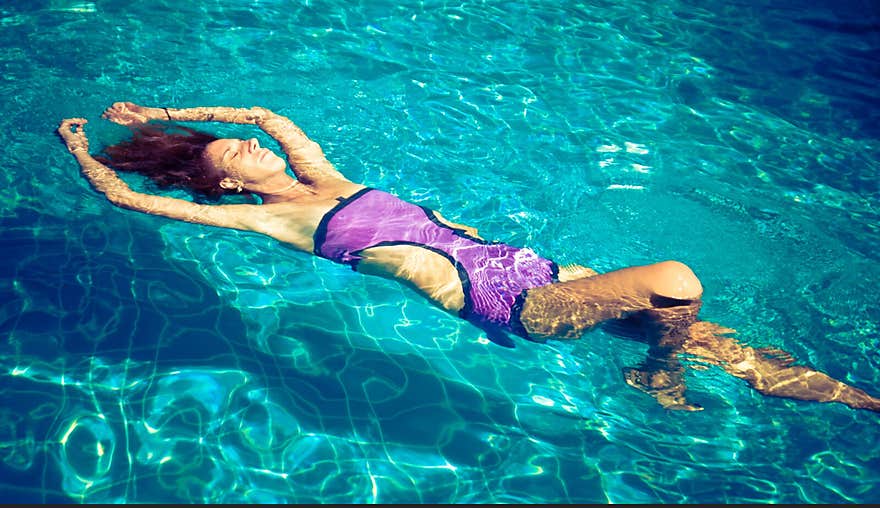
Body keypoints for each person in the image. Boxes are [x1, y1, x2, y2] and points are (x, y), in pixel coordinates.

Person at [56, 103, 880, 414]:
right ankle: (655, 377)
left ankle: (860, 401)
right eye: (235, 156)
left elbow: (270, 115)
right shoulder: (279, 226)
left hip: (550, 276)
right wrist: (82, 148)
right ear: (231, 191)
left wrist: (167, 113)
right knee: (677, 283)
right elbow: (131, 198)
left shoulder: (328, 178)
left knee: (718, 342)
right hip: (516, 307)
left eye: (241, 145)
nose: (251, 148)